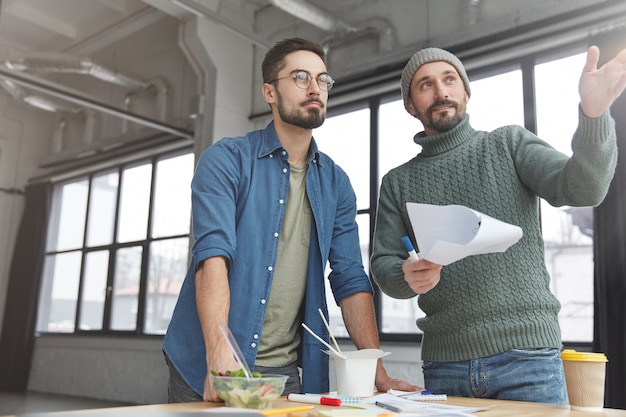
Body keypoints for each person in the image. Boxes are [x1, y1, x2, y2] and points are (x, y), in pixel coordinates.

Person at [162, 37, 420, 403]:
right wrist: (219, 356)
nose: (315, 88)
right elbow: (212, 259)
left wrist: (378, 373)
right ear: (269, 92)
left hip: (285, 375)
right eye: (300, 77)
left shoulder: (336, 183)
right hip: (210, 362)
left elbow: (349, 277)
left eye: (322, 79)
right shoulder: (227, 160)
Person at [371, 45, 626, 404]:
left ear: (466, 91)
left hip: (528, 360)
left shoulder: (508, 144)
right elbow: (383, 265)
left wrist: (594, 114)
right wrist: (405, 274)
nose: (441, 91)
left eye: (449, 80)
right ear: (411, 104)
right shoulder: (397, 182)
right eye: (425, 85)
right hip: (445, 366)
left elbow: (585, 187)